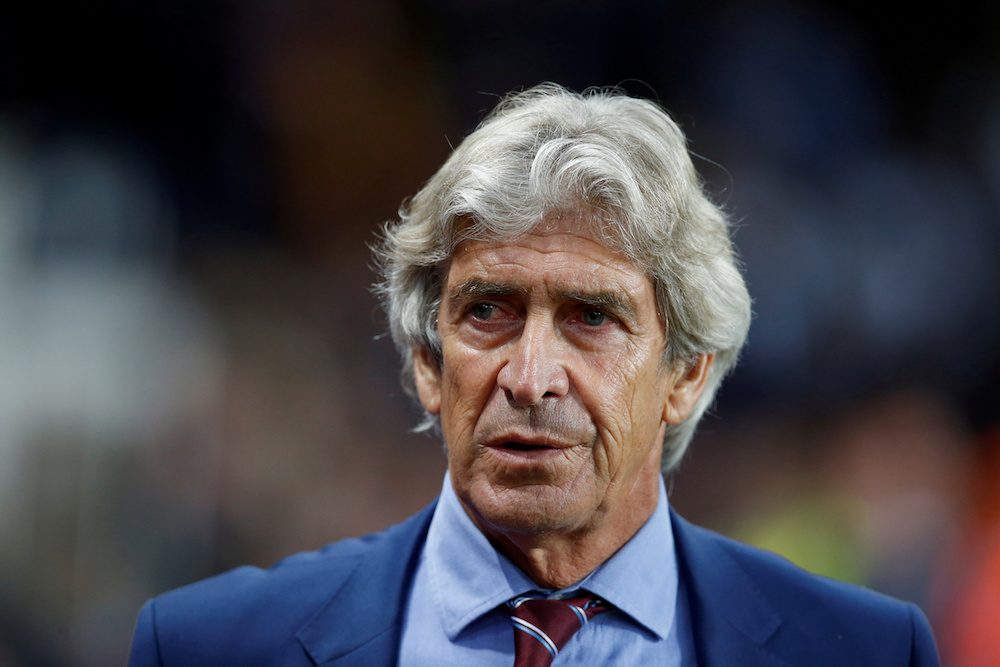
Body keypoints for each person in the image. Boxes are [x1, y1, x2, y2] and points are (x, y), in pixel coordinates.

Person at [127, 84, 939, 666]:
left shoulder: (866, 649)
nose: (530, 373)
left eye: (591, 317)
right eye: (488, 311)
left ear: (687, 373)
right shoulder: (207, 644)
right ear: (427, 362)